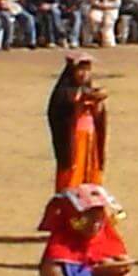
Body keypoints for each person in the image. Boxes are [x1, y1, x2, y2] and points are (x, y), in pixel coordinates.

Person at [48, 53, 108, 191]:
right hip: (74, 141)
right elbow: (60, 113)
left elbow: (99, 115)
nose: (84, 74)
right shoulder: (63, 92)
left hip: (90, 140)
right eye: (81, 70)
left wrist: (98, 105)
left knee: (90, 172)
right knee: (73, 175)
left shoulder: (90, 90)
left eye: (87, 70)